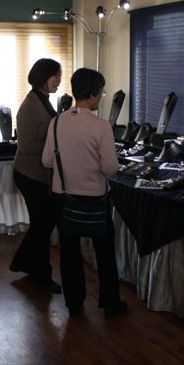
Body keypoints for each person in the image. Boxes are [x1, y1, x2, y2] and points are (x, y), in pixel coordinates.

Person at [42, 67, 127, 318]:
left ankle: (74, 303)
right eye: (101, 93)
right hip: (95, 198)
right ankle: (110, 304)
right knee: (104, 253)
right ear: (91, 94)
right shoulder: (101, 127)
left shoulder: (56, 122)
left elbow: (47, 161)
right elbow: (110, 169)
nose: (101, 97)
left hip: (62, 196)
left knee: (69, 253)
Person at [9, 58, 62, 293]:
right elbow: (26, 146)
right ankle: (42, 275)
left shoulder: (44, 99)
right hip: (29, 174)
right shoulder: (30, 106)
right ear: (43, 77)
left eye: (59, 76)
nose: (59, 80)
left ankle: (23, 262)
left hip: (40, 174)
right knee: (43, 223)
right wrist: (55, 144)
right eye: (55, 76)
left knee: (43, 223)